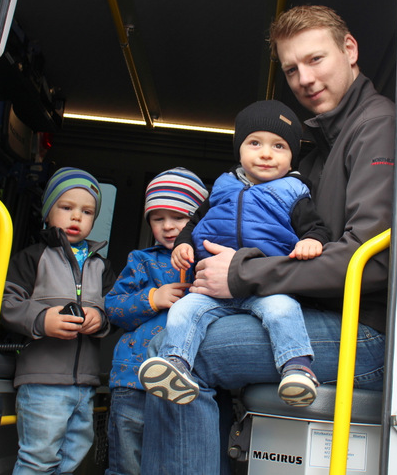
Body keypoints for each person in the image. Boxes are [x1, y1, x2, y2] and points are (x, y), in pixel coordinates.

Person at [140, 4, 396, 474]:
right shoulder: (315, 153)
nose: (305, 79)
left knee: (175, 353)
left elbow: (371, 259)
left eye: (315, 59)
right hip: (320, 314)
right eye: (292, 69)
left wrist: (242, 273)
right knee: (179, 336)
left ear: (349, 49)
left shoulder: (376, 126)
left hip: (367, 333)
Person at [138, 100, 331, 408]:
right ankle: (176, 363)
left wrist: (312, 241)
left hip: (265, 286)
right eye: (255, 143)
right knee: (184, 311)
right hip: (213, 290)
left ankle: (297, 368)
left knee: (284, 311)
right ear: (239, 150)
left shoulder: (294, 192)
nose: (266, 153)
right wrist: (184, 244)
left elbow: (316, 227)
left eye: (279, 146)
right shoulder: (222, 187)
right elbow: (196, 222)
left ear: (292, 156)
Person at [1, 167, 116, 475]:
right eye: (66, 207)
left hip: (85, 383)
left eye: (87, 212)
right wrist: (42, 319)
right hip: (42, 380)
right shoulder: (33, 257)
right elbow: (5, 303)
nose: (76, 217)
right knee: (39, 458)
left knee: (72, 456)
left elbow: (115, 309)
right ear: (48, 212)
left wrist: (100, 319)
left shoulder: (101, 266)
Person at [104, 167, 208, 475]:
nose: (167, 226)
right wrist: (152, 298)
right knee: (127, 463)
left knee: (171, 462)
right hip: (132, 379)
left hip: (184, 385)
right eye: (157, 218)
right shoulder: (142, 260)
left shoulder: (207, 263)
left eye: (179, 217)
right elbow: (113, 308)